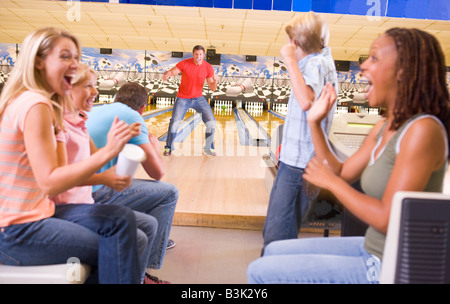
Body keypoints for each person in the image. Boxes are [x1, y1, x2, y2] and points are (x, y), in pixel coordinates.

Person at [248, 27, 450, 284]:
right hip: (372, 248)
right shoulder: (384, 126)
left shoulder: (423, 130)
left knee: (260, 272)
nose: (363, 65)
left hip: (389, 266)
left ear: (403, 71)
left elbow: (388, 219)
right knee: (272, 253)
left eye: (374, 58)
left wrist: (331, 183)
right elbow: (341, 172)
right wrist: (314, 122)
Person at [0, 27, 142, 284]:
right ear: (39, 61)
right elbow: (50, 181)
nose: (75, 65)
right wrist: (109, 152)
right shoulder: (36, 105)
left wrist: (109, 164)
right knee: (116, 245)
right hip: (15, 232)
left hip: (34, 215)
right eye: (65, 57)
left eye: (76, 58)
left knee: (120, 220)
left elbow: (58, 171)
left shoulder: (34, 102)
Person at [50, 63, 157, 284]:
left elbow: (96, 158)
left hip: (84, 201)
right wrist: (104, 177)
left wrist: (116, 145)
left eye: (95, 86)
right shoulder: (58, 124)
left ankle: (133, 278)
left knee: (148, 225)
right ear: (68, 89)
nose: (96, 92)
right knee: (133, 236)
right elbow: (61, 177)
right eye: (89, 86)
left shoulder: (79, 123)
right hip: (65, 207)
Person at [86, 81, 179, 284]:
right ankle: (145, 270)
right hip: (97, 192)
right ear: (143, 107)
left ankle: (150, 244)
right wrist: (154, 147)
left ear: (116, 98)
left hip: (80, 186)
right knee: (169, 192)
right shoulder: (133, 117)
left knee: (137, 187)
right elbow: (158, 173)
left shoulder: (97, 110)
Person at [262, 12, 338, 253]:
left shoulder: (317, 64)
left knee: (277, 237)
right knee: (276, 231)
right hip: (295, 162)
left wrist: (289, 60)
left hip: (300, 166)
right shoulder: (317, 62)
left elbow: (306, 101)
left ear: (294, 42)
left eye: (289, 41)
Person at [162, 45, 218, 156]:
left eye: (201, 54)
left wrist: (215, 81)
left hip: (198, 98)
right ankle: (168, 147)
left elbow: (212, 87)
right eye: (196, 54)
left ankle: (208, 148)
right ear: (193, 54)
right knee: (175, 122)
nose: (198, 56)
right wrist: (167, 73)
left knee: (211, 121)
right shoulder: (185, 63)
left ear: (204, 55)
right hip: (183, 98)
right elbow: (173, 71)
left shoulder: (208, 67)